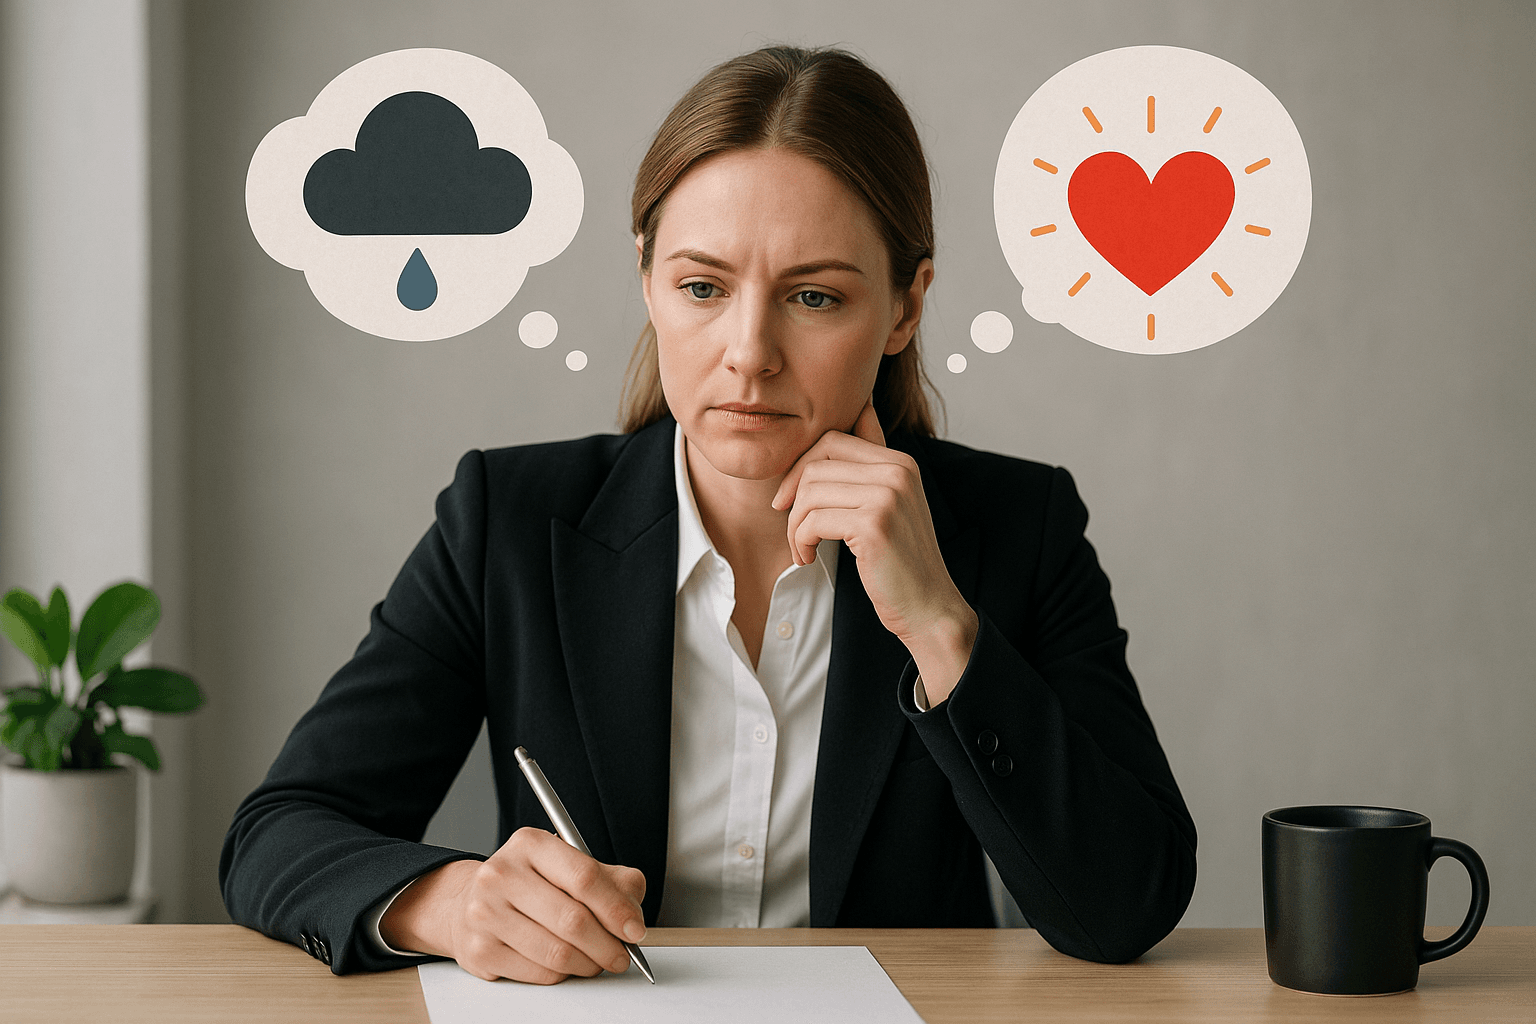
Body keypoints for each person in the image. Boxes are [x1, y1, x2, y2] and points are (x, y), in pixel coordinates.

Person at [221, 44, 1196, 982]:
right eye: (701, 286)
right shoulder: (508, 520)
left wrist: (941, 627)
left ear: (906, 306)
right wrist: (450, 900)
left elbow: (1126, 905)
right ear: (646, 278)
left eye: (814, 296)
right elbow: (279, 833)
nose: (749, 351)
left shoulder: (1019, 528)